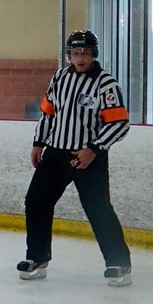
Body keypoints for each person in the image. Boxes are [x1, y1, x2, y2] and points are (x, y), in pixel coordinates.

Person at [19, 30, 132, 286]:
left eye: (86, 53)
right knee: (36, 201)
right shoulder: (59, 77)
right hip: (55, 153)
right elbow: (48, 114)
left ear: (94, 54)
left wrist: (94, 148)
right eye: (76, 53)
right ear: (69, 54)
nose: (80, 58)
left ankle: (119, 263)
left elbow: (120, 124)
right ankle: (37, 257)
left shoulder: (106, 84)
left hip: (88, 157)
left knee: (99, 209)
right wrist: (38, 143)